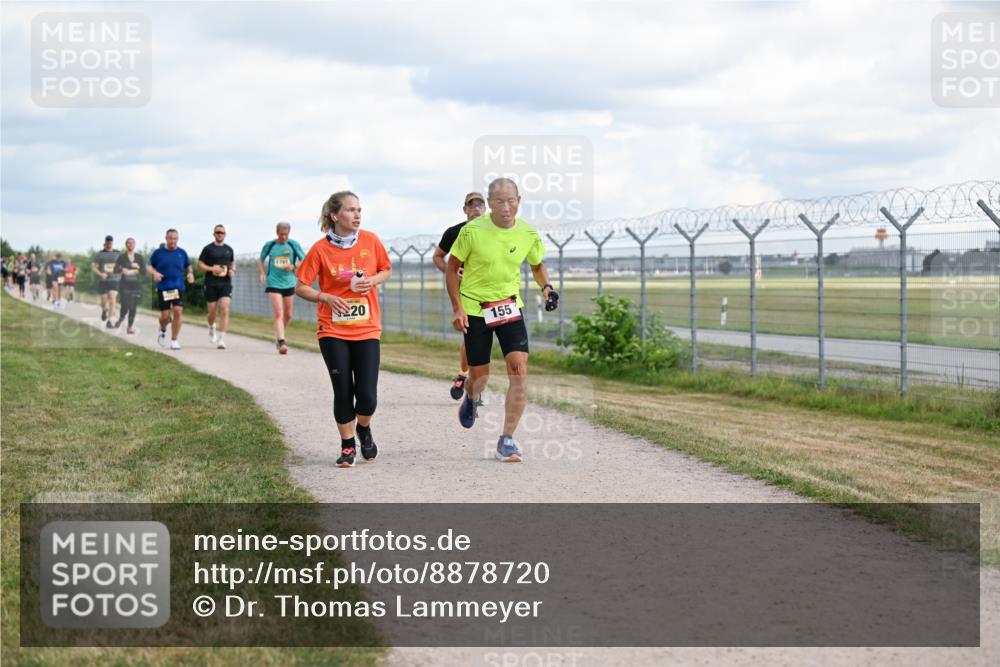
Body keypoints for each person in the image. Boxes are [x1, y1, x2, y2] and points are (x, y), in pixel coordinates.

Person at [447, 177, 559, 463]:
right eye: (499, 202)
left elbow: (537, 265)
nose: (506, 208)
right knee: (479, 377)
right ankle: (471, 398)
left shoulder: (528, 233)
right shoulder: (472, 231)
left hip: (510, 306)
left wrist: (546, 287)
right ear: (490, 204)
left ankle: (506, 440)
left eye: (511, 201)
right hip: (475, 308)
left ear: (519, 201)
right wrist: (458, 309)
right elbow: (452, 269)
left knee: (519, 370)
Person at [295, 191, 392, 468]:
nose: (357, 214)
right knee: (342, 389)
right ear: (335, 215)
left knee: (367, 397)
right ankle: (348, 445)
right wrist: (325, 297)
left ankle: (363, 427)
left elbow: (386, 269)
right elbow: (300, 286)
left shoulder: (371, 241)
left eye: (359, 209)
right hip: (332, 329)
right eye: (350, 210)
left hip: (367, 328)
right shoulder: (319, 249)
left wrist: (372, 280)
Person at [433, 192, 486, 400]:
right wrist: (451, 271)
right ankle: (468, 376)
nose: (476, 208)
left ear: (486, 208)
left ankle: (466, 375)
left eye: (480, 205)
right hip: (467, 292)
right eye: (471, 205)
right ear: (465, 209)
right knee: (471, 335)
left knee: (484, 338)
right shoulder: (454, 232)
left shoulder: (497, 231)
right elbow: (437, 256)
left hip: (493, 292)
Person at [258, 222, 305, 354]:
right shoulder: (270, 245)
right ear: (277, 233)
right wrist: (262, 272)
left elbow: (304, 260)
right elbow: (260, 260)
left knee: (288, 314)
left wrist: (294, 266)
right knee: (278, 313)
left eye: (286, 234)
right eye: (281, 234)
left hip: (289, 282)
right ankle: (281, 341)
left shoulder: (293, 245)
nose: (283, 237)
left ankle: (279, 335)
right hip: (273, 282)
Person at [149, 229, 194, 350]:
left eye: (175, 238)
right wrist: (154, 273)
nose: (172, 240)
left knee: (178, 311)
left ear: (177, 239)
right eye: (170, 238)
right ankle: (163, 329)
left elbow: (188, 265)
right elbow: (149, 266)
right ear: (166, 238)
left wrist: (190, 273)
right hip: (163, 288)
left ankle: (174, 340)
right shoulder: (158, 253)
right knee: (165, 317)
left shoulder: (182, 253)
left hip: (178, 287)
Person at [197, 224, 235, 350]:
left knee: (224, 308)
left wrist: (232, 271)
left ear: (225, 235)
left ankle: (222, 338)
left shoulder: (229, 249)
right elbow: (199, 265)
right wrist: (211, 268)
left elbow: (233, 264)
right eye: (218, 232)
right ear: (214, 234)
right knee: (212, 311)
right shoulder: (208, 249)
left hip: (225, 283)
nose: (220, 234)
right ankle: (212, 326)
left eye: (222, 233)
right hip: (211, 283)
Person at [113, 238, 147, 334]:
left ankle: (130, 327)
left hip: (135, 285)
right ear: (126, 245)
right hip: (124, 285)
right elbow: (115, 270)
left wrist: (138, 267)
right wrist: (121, 269)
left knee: (133, 307)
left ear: (135, 244)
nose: (130, 244)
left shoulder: (139, 257)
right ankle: (121, 318)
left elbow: (144, 272)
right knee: (125, 305)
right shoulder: (122, 257)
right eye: (128, 243)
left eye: (132, 243)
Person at [92, 235, 120, 326]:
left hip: (114, 279)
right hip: (104, 280)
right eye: (108, 241)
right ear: (105, 242)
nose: (109, 243)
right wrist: (101, 274)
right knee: (103, 301)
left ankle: (110, 320)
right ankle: (104, 310)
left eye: (111, 241)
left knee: (112, 298)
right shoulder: (100, 254)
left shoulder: (117, 253)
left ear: (112, 242)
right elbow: (94, 267)